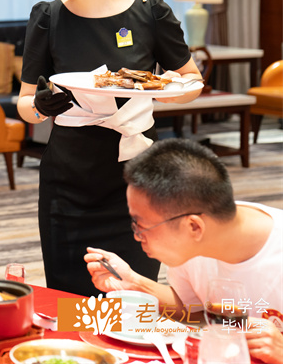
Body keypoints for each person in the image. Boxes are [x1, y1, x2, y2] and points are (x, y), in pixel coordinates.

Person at [17, 0, 203, 295]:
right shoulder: (48, 18)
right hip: (67, 182)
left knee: (131, 298)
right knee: (71, 303)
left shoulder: (149, 12)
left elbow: (192, 81)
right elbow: (25, 103)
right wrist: (40, 107)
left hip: (137, 180)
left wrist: (169, 89)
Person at [85, 138, 283, 364]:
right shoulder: (195, 242)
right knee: (71, 324)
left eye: (141, 226)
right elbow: (194, 312)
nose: (137, 236)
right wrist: (134, 283)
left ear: (194, 227)